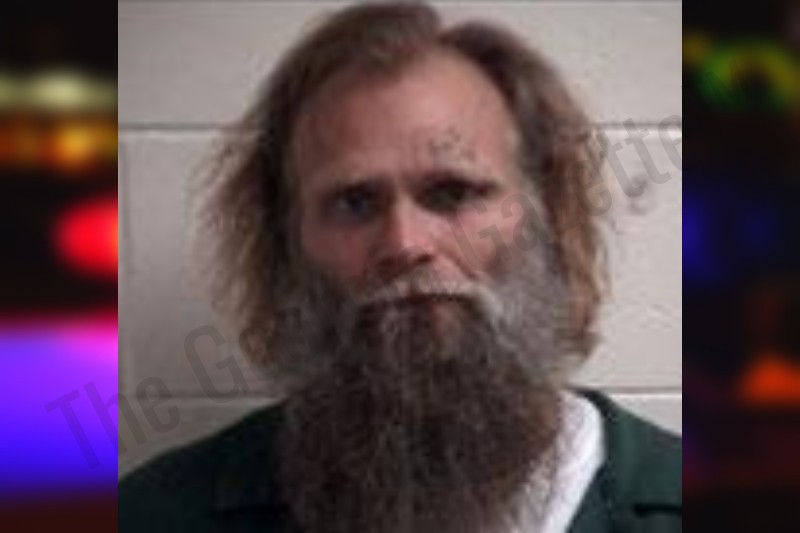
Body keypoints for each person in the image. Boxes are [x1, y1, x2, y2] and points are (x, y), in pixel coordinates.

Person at [119, 2, 681, 532]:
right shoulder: (155, 515)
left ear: (548, 216)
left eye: (453, 193)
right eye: (354, 203)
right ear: (285, 244)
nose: (405, 243)